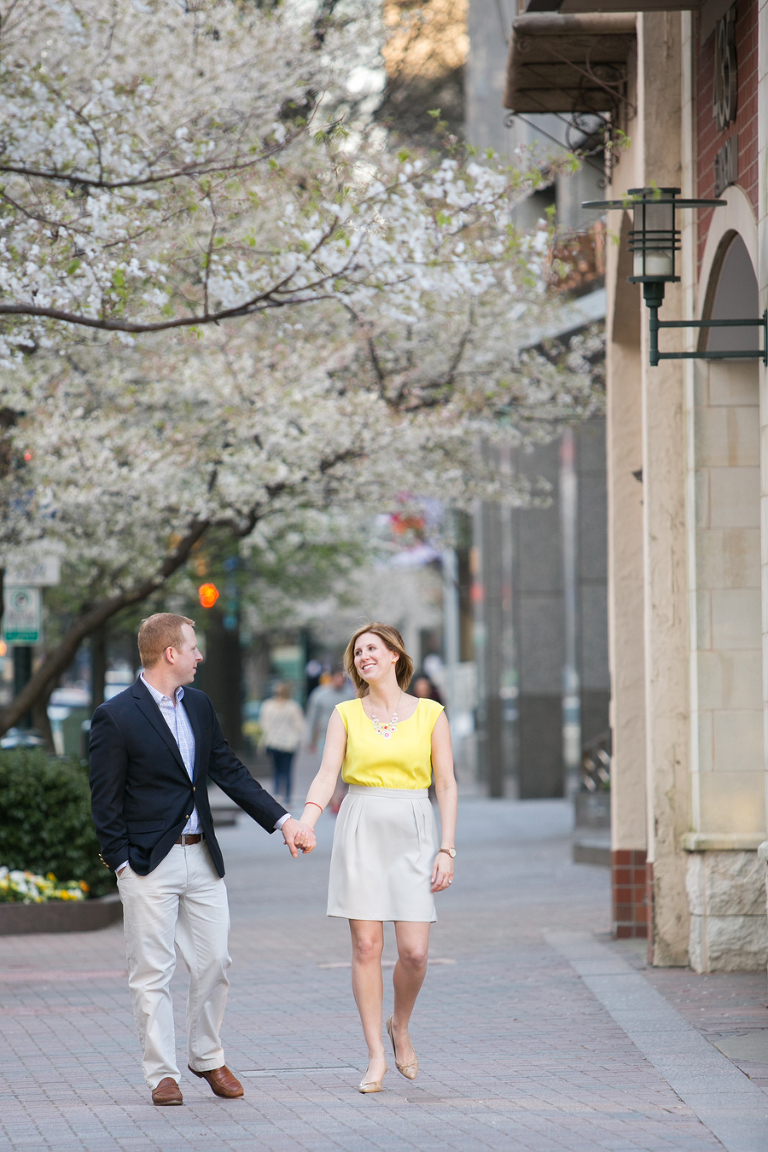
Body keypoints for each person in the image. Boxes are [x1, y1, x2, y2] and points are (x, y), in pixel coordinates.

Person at [88, 613, 316, 1108]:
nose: (200, 656)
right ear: (171, 653)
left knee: (215, 961)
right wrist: (122, 863)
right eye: (193, 647)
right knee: (151, 972)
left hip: (203, 859)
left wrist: (284, 822)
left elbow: (228, 772)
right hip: (148, 864)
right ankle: (161, 1075)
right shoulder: (116, 716)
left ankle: (206, 1056)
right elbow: (104, 803)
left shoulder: (201, 705)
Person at [298, 622, 458, 1094]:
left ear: (394, 655)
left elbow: (445, 785)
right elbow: (328, 775)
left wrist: (447, 847)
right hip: (361, 822)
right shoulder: (345, 713)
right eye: (358, 651)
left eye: (372, 648)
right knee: (367, 947)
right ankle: (374, 1056)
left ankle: (400, 1024)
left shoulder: (431, 713)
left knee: (414, 951)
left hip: (413, 826)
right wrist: (305, 820)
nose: (364, 655)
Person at [259, 682, 305, 801]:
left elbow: (264, 724)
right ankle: (288, 797)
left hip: (273, 742)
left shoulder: (267, 705)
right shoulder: (293, 706)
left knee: (276, 770)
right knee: (288, 770)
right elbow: (299, 725)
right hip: (289, 743)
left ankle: (276, 793)